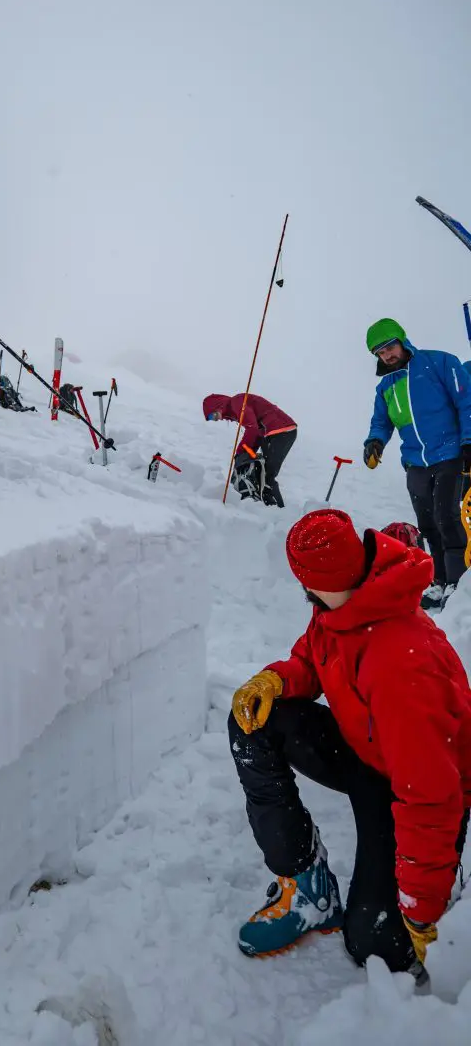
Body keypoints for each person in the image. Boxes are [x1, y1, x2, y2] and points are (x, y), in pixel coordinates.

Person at [228, 509, 470, 986]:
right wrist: (277, 679)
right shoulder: (342, 601)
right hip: (370, 752)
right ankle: (306, 885)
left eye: (308, 587)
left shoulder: (401, 664)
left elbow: (431, 794)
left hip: (416, 785)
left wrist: (422, 909)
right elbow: (317, 655)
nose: (307, 598)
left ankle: (441, 893)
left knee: (377, 946)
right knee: (256, 722)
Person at [363, 318, 471, 610]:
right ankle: (439, 582)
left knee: (448, 517)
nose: (386, 355)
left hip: (449, 454)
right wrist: (374, 441)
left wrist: (468, 440)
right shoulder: (385, 388)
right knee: (427, 524)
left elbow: (466, 401)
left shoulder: (439, 363)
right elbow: (381, 422)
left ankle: (458, 584)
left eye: (389, 347)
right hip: (415, 462)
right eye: (379, 352)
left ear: (402, 340)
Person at [203, 392, 297, 507]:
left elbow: (252, 429)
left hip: (281, 430)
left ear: (217, 406)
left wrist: (240, 452)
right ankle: (269, 507)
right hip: (273, 433)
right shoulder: (234, 408)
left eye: (212, 416)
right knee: (262, 472)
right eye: (211, 419)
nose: (215, 420)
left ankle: (278, 509)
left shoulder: (236, 403)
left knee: (267, 474)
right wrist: (246, 454)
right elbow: (256, 433)